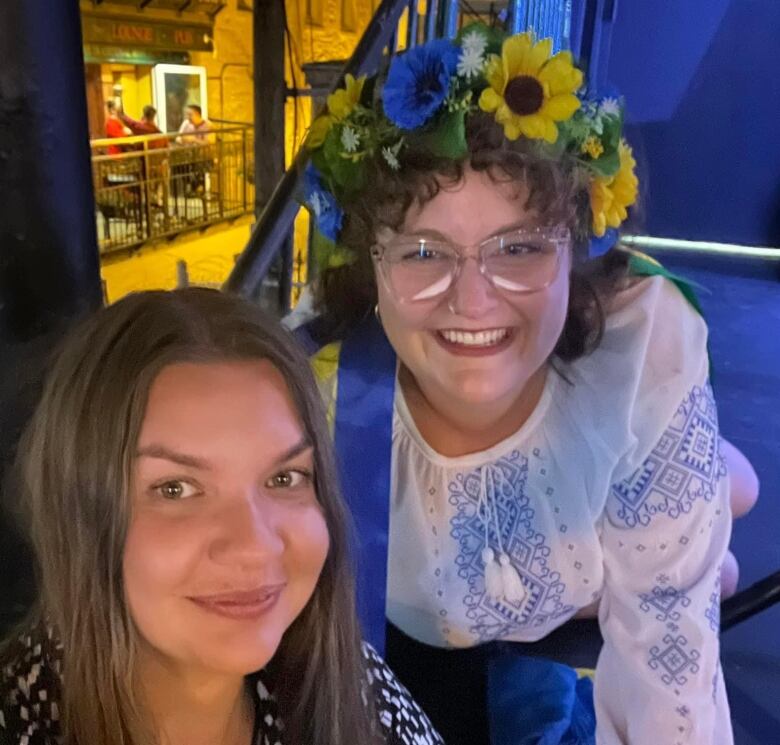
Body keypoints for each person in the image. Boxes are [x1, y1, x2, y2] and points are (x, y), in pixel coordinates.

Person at [299, 25, 755, 744]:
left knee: (704, 543)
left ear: (576, 246)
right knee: (719, 518)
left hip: (564, 610)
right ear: (370, 262)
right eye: (423, 251)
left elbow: (673, 675)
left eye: (518, 247)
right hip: (409, 631)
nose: (473, 301)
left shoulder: (634, 347)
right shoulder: (318, 387)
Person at [0, 289, 443, 745]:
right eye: (175, 489)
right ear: (76, 512)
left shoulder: (355, 690)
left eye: (285, 477)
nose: (255, 545)